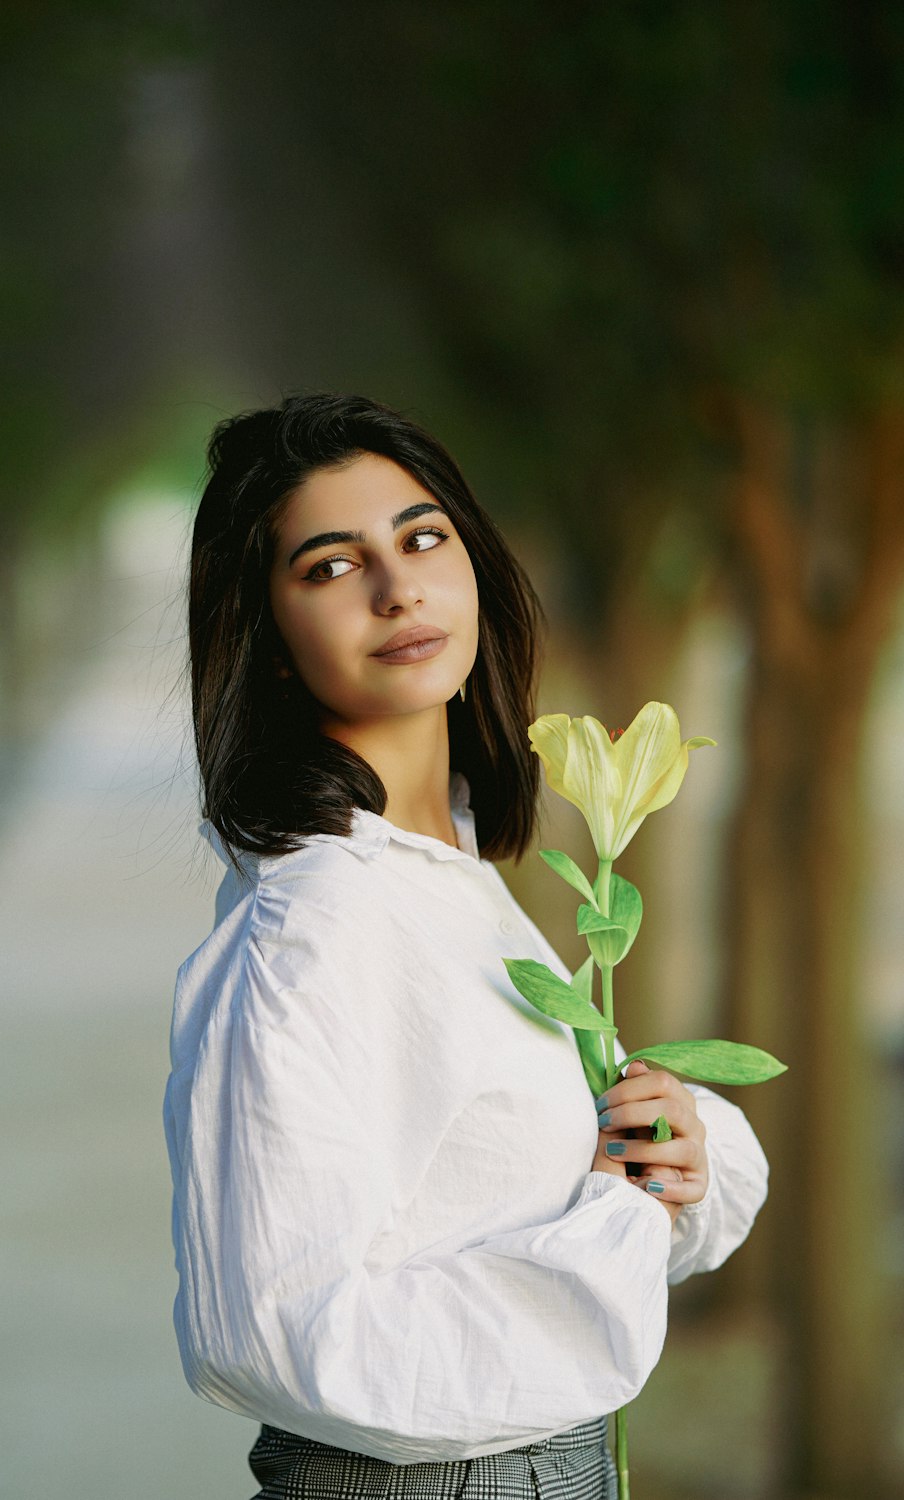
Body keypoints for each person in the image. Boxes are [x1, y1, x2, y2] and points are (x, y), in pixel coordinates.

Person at [163, 392, 769, 1500]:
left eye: (422, 537)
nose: (398, 587)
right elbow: (269, 1330)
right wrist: (613, 1237)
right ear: (271, 641)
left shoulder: (451, 871)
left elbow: (496, 1197)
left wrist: (664, 1158)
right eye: (331, 566)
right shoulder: (313, 930)